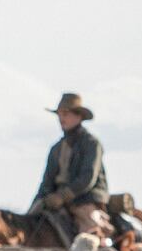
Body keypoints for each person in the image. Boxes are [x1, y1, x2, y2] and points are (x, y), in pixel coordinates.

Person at [30, 93, 109, 241]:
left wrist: (62, 196)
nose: (61, 118)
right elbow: (46, 182)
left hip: (84, 199)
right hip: (55, 201)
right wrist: (38, 203)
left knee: (89, 239)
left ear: (79, 116)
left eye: (65, 114)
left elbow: (87, 178)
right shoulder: (56, 148)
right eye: (59, 114)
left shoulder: (91, 143)